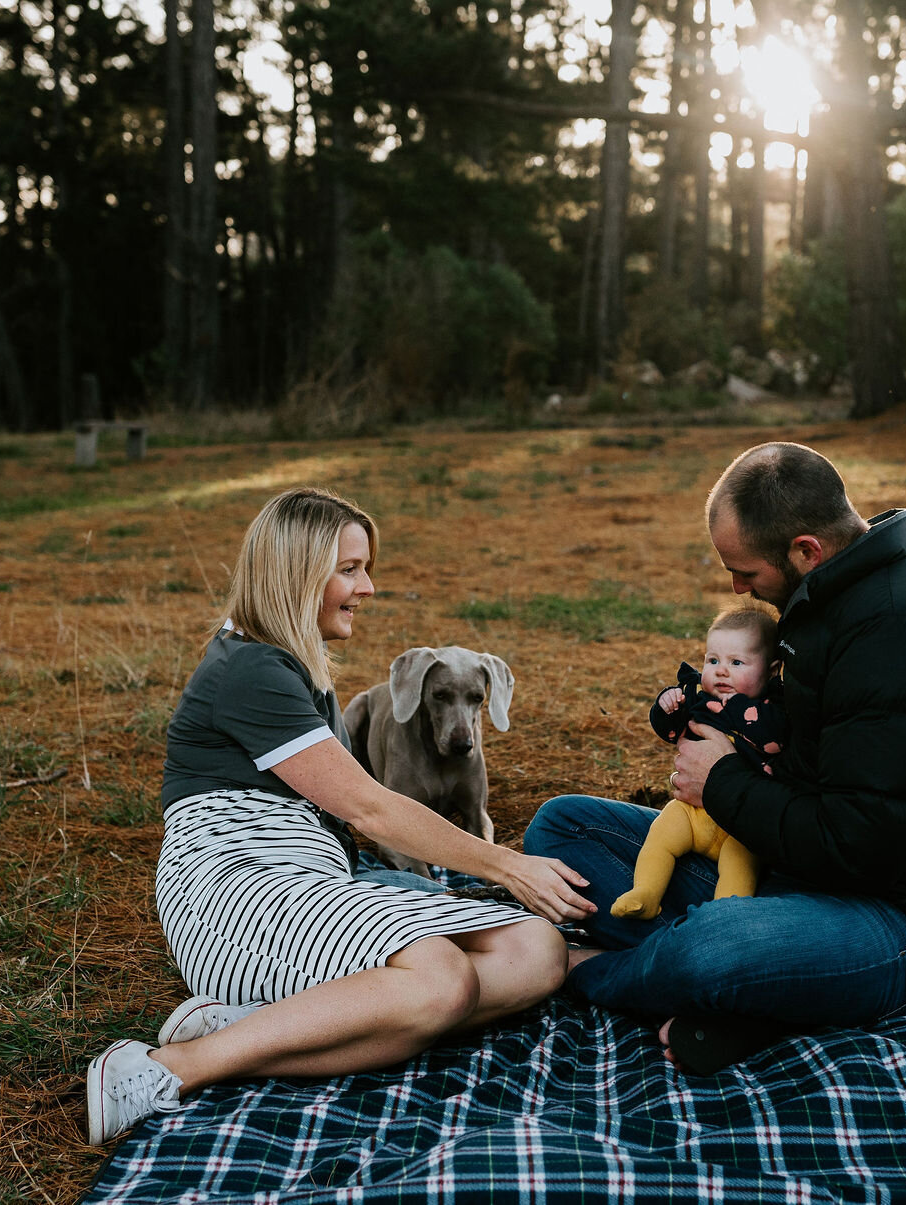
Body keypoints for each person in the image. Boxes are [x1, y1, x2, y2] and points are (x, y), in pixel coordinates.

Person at [86, 487, 592, 1145]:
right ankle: (168, 1066)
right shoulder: (250, 669)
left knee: (537, 951)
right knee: (440, 978)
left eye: (366, 567)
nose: (369, 586)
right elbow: (367, 806)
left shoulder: (299, 672)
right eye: (349, 569)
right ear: (299, 573)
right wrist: (507, 862)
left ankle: (256, 1023)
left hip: (309, 890)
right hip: (238, 894)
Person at [524, 442, 906, 1073]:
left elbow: (863, 847)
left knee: (713, 948)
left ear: (805, 550)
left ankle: (596, 972)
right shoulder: (832, 597)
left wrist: (721, 782)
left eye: (746, 571)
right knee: (562, 829)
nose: (737, 588)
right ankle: (751, 999)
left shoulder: (902, 631)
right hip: (793, 873)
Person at [610, 605, 789, 919]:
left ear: (771, 671)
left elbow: (772, 740)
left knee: (740, 864)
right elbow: (669, 731)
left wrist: (735, 707)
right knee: (661, 834)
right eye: (713, 660)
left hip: (740, 823)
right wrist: (667, 705)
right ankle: (647, 892)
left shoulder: (774, 710)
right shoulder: (697, 697)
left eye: (736, 662)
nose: (721, 670)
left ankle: (724, 916)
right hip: (691, 812)